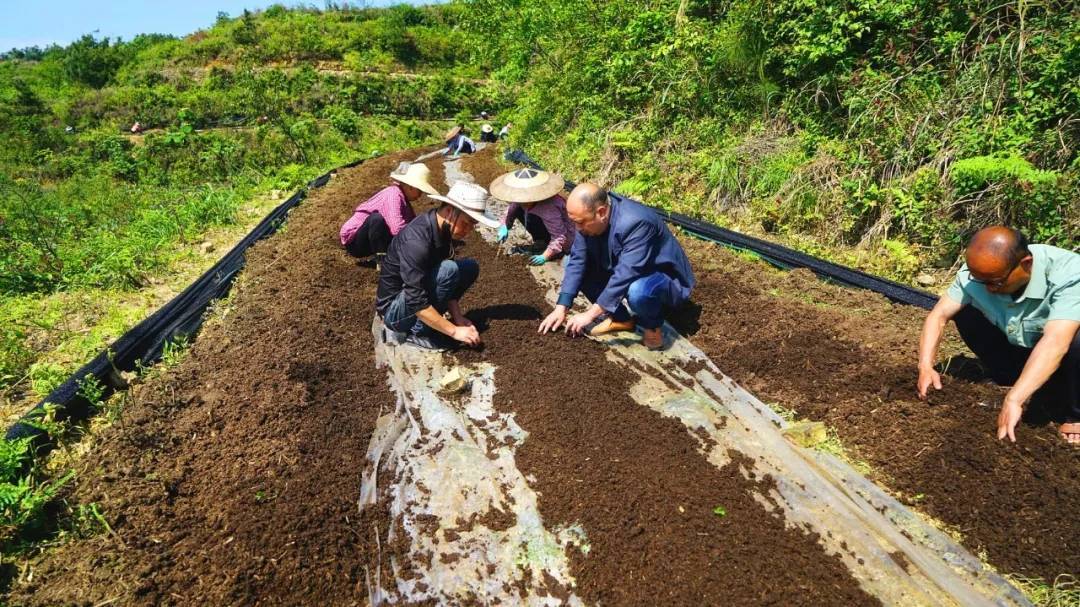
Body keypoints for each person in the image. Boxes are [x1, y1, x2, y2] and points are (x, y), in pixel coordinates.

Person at [917, 226, 1080, 445]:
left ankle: (1075, 414)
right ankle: (1011, 376)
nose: (989, 289)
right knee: (964, 310)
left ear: (1026, 264)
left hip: (1065, 355)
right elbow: (938, 316)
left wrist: (1014, 401)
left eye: (996, 281)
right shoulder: (979, 275)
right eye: (982, 281)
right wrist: (925, 366)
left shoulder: (1069, 274)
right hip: (1026, 346)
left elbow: (1056, 342)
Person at [538, 183, 695, 351]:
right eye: (574, 222)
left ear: (601, 212)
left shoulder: (636, 223)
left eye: (581, 223)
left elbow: (626, 274)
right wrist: (562, 307)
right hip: (622, 265)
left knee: (638, 291)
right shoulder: (587, 222)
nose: (577, 228)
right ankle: (621, 319)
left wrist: (590, 315)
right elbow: (578, 260)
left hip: (662, 276)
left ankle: (653, 328)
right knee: (569, 262)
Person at [376, 181, 501, 351]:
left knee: (469, 267)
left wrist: (458, 318)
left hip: (414, 296)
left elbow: (447, 282)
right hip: (395, 312)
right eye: (466, 223)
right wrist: (454, 331)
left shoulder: (443, 230)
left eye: (473, 224)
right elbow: (415, 300)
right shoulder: (416, 241)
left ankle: (431, 323)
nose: (469, 230)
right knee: (449, 269)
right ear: (449, 211)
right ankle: (417, 332)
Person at [340, 162, 439, 262]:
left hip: (370, 239)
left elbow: (411, 225)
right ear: (411, 186)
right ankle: (382, 261)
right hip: (354, 242)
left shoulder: (403, 200)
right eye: (420, 190)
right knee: (377, 219)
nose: (420, 194)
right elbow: (397, 227)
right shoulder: (393, 194)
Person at [490, 168, 574, 266]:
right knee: (518, 210)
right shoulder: (521, 201)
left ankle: (557, 252)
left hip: (566, 238)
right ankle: (542, 242)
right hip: (546, 227)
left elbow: (559, 236)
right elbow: (510, 211)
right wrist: (504, 226)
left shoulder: (549, 208)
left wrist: (545, 256)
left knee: (561, 248)